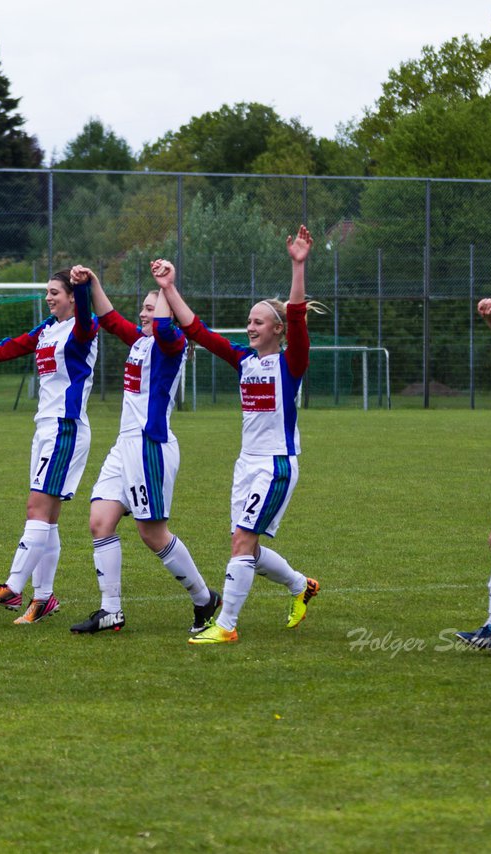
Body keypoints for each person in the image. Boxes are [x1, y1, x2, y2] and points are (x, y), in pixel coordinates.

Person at [161, 227, 323, 644]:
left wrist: (298, 266)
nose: (250, 327)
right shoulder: (244, 361)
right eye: (249, 321)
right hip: (246, 463)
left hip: (275, 464)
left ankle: (226, 626)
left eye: (258, 321)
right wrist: (170, 288)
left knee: (242, 543)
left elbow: (299, 315)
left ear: (277, 329)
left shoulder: (291, 364)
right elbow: (197, 330)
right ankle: (300, 585)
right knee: (243, 545)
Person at [68, 262, 217, 635]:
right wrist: (93, 283)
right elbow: (109, 317)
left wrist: (166, 287)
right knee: (99, 521)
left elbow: (167, 325)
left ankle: (203, 597)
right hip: (126, 446)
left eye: (151, 308)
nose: (144, 313)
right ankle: (111, 611)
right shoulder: (142, 341)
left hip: (151, 446)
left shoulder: (173, 343)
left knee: (152, 534)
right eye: (145, 309)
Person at [0, 270, 99, 623]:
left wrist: (83, 286)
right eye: (47, 292)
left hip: (66, 428)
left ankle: (13, 586)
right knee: (46, 517)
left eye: (54, 292)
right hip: (46, 428)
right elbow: (5, 350)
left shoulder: (84, 326)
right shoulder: (47, 328)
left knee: (37, 508)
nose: (48, 298)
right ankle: (44, 599)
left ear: (70, 296)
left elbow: (85, 316)